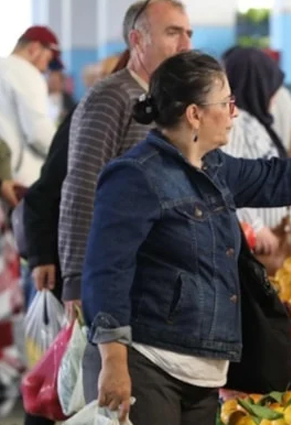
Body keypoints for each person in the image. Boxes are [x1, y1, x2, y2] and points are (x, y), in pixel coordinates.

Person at [85, 50, 291, 424]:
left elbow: (277, 178)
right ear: (194, 114)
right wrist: (114, 361)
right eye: (225, 103)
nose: (234, 113)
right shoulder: (136, 176)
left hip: (205, 369)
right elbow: (106, 271)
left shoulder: (213, 166)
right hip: (150, 363)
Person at [58, 0, 192, 402]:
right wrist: (75, 278)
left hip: (154, 283)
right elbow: (81, 185)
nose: (185, 44)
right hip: (114, 279)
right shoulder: (111, 97)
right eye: (173, 32)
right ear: (137, 39)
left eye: (188, 33)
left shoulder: (165, 101)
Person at [221, 47, 291, 271]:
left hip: (273, 237)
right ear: (256, 84)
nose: (274, 96)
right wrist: (255, 226)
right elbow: (229, 179)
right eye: (271, 86)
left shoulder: (255, 123)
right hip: (259, 242)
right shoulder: (236, 125)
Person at [0, 25, 61, 187]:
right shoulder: (27, 72)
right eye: (47, 59)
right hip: (16, 178)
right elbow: (38, 132)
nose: (45, 68)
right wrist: (67, 154)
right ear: (34, 48)